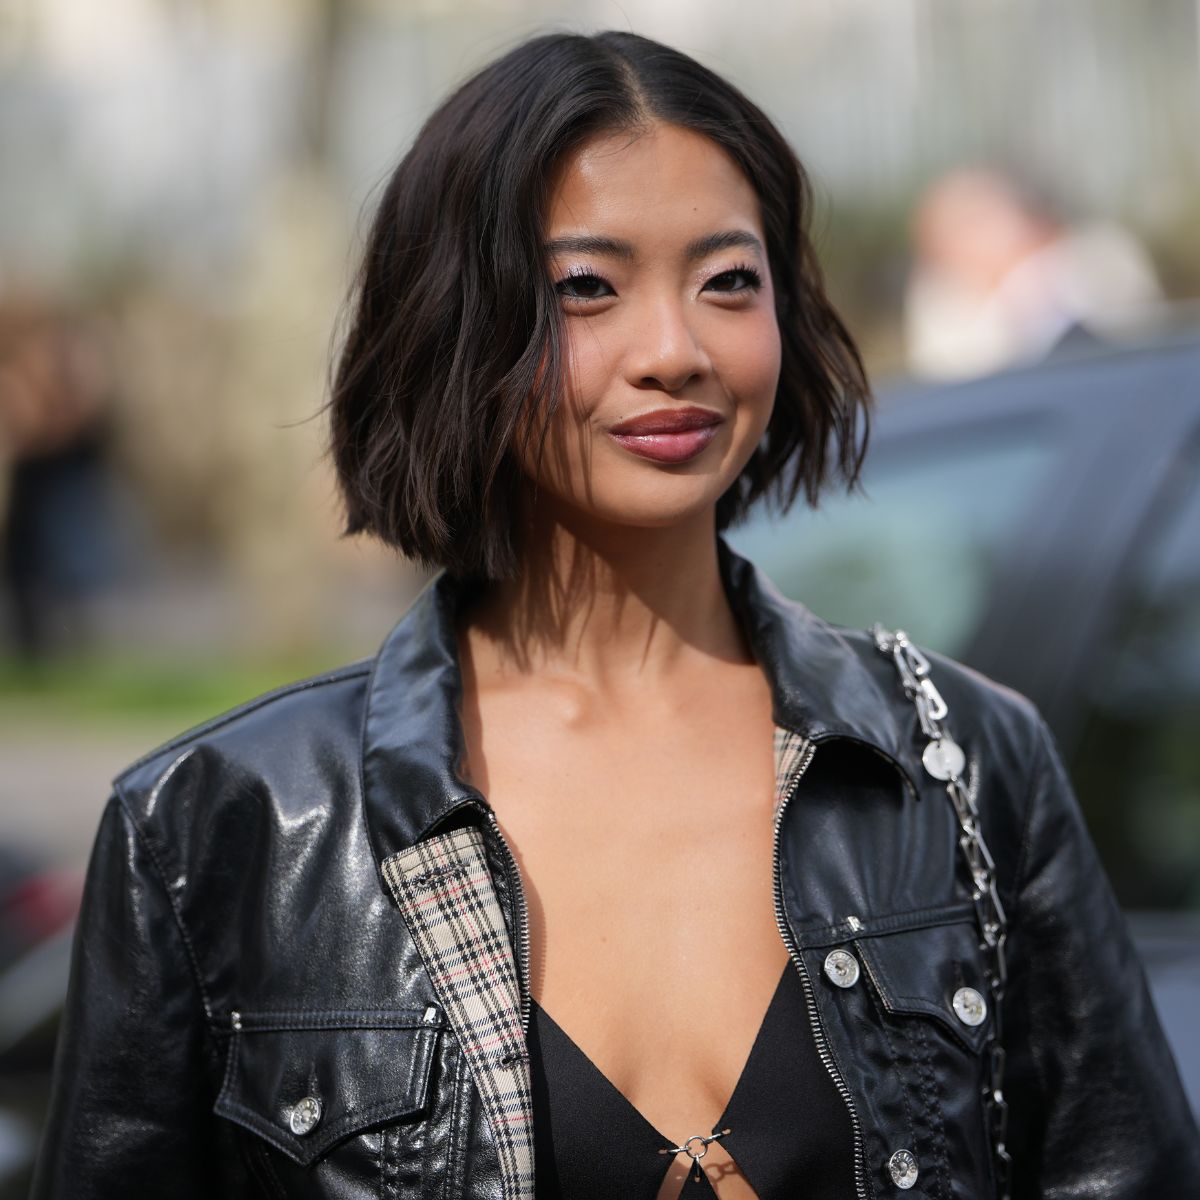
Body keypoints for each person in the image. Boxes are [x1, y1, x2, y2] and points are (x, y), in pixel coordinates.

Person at [31, 30, 1199, 1200]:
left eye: (729, 281)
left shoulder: (962, 761)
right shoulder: (218, 828)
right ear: (457, 325)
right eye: (586, 288)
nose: (675, 350)